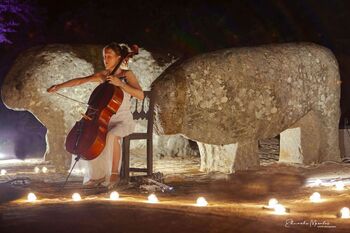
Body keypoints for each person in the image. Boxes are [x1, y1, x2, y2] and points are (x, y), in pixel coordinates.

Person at [47, 42, 144, 189]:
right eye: (104, 56)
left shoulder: (126, 75)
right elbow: (81, 80)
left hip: (123, 121)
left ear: (119, 58)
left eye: (109, 56)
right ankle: (96, 176)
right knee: (93, 137)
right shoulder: (103, 76)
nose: (105, 60)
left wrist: (121, 84)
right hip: (105, 120)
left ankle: (113, 175)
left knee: (111, 135)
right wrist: (59, 86)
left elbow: (140, 95)